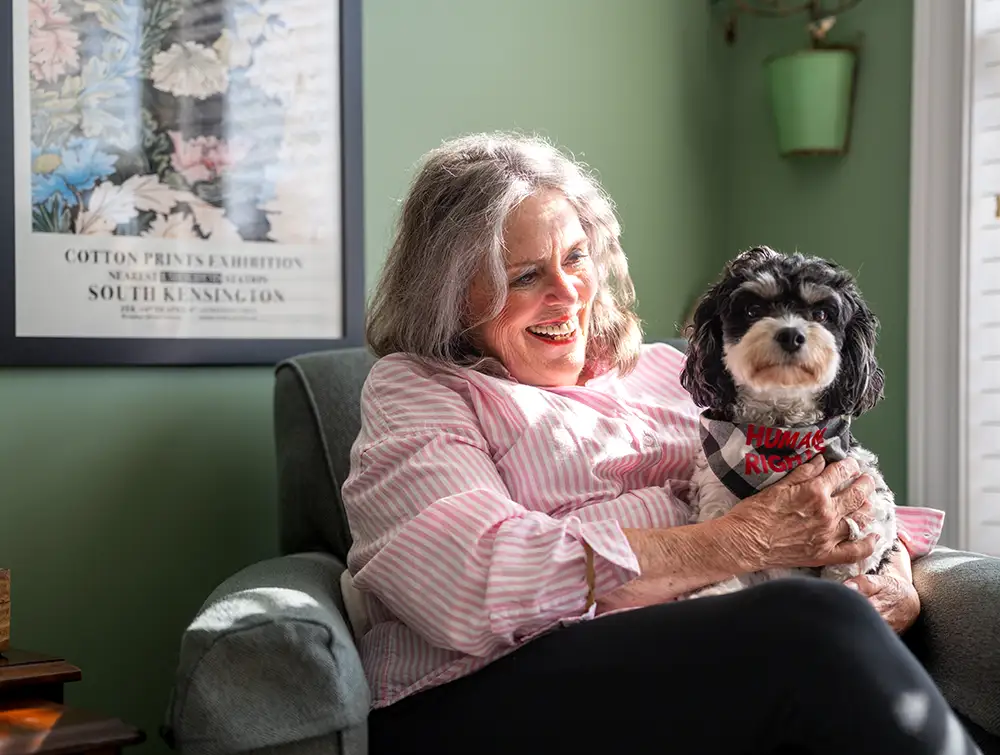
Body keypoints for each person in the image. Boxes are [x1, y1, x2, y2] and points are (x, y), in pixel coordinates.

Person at [341, 131, 985, 754]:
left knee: (841, 645)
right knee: (812, 625)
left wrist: (892, 572)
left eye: (574, 258)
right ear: (451, 297)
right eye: (525, 275)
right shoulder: (418, 390)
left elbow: (809, 486)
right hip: (484, 687)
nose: (568, 294)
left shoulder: (664, 371)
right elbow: (466, 579)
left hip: (704, 655)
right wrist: (738, 542)